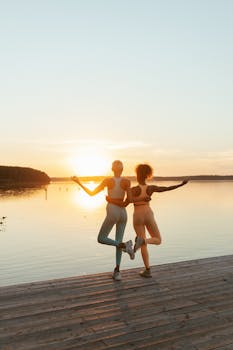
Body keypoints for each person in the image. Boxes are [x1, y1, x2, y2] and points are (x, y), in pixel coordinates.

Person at [107, 164, 188, 278]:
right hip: (148, 213)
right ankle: (144, 245)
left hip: (137, 216)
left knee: (142, 243)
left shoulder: (133, 189)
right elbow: (166, 189)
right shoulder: (151, 188)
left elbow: (126, 202)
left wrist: (111, 200)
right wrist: (181, 184)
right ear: (147, 175)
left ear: (137, 174)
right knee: (158, 239)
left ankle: (147, 268)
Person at [71, 160, 134, 281]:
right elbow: (129, 200)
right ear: (122, 169)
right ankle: (117, 271)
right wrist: (119, 202)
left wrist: (78, 182)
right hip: (123, 214)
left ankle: (125, 245)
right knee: (118, 240)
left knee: (101, 238)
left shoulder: (107, 181)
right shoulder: (127, 181)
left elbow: (91, 193)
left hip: (112, 212)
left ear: (112, 169)